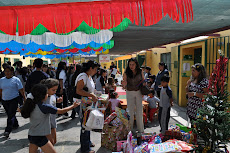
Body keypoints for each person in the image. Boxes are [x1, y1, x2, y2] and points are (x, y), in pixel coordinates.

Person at [20, 84, 79, 153]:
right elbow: (61, 111)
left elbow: (20, 109)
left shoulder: (30, 105)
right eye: (47, 93)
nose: (48, 95)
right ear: (43, 95)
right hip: (40, 136)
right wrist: (73, 106)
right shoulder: (44, 107)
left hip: (31, 135)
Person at [75, 60, 100, 153]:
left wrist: (95, 93)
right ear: (91, 68)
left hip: (87, 104)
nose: (96, 71)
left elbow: (90, 89)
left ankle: (87, 142)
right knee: (85, 125)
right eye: (95, 69)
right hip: (80, 103)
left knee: (88, 123)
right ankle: (85, 148)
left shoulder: (88, 77)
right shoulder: (83, 76)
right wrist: (91, 95)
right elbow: (78, 90)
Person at [0, 65, 26, 137]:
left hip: (14, 99)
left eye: (8, 71)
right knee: (10, 114)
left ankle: (7, 130)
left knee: (10, 114)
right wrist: (1, 98)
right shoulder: (1, 80)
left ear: (12, 72)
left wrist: (24, 98)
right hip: (5, 100)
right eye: (6, 71)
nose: (7, 73)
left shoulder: (16, 79)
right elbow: (1, 90)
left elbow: (21, 89)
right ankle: (15, 124)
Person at [122, 58, 144, 134]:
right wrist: (123, 84)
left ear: (136, 64)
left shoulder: (140, 71)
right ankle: (130, 130)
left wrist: (144, 87)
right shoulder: (126, 73)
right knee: (130, 111)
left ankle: (141, 130)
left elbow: (143, 80)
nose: (131, 66)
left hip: (138, 92)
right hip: (129, 92)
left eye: (133, 64)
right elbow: (124, 84)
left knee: (139, 111)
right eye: (130, 64)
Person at [40, 78, 63, 145]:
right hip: (45, 124)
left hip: (52, 122)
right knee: (49, 143)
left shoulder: (53, 95)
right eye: (53, 90)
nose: (55, 92)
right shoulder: (43, 98)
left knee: (53, 141)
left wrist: (58, 100)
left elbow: (54, 100)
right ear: (46, 89)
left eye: (56, 90)